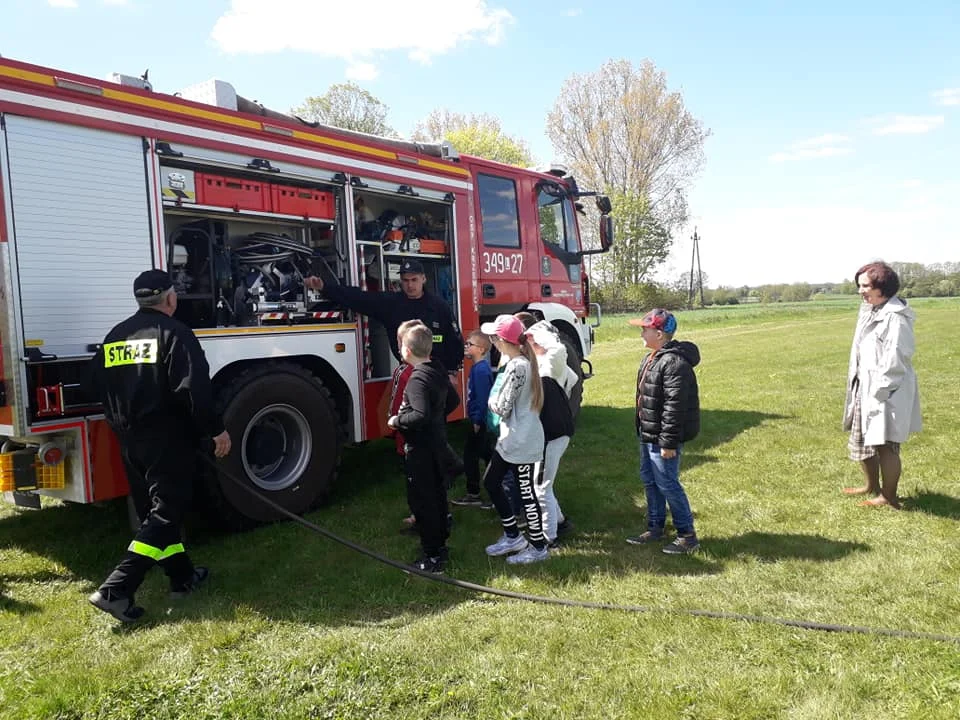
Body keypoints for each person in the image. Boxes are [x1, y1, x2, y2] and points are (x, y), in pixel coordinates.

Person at [87, 270, 231, 622]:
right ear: (170, 298)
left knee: (156, 511)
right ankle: (116, 589)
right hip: (167, 438)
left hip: (129, 439)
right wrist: (215, 431)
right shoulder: (175, 334)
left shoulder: (115, 336)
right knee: (167, 513)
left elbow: (94, 384)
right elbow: (194, 390)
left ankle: (182, 577)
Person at [841, 261, 922, 509]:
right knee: (863, 440)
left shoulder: (895, 318)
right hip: (865, 387)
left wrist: (879, 392)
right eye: (859, 285)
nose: (860, 291)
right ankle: (871, 486)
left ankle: (888, 497)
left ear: (881, 286)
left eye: (865, 285)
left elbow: (896, 359)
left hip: (886, 392)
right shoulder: (871, 309)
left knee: (885, 446)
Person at [626, 308, 701, 555]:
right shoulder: (652, 358)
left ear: (659, 333)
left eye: (644, 330)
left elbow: (674, 407)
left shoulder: (674, 363)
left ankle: (687, 535)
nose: (641, 334)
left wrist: (668, 443)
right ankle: (655, 527)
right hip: (648, 434)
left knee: (667, 483)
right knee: (650, 480)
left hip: (662, 438)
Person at [304, 258, 462, 375]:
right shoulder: (391, 304)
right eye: (405, 280)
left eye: (414, 280)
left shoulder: (439, 306)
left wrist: (452, 372)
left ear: (423, 279)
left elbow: (454, 339)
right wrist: (324, 287)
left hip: (437, 372)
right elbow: (358, 298)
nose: (410, 285)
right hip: (408, 370)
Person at [388, 323, 461, 573]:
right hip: (438, 445)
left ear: (406, 350)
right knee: (438, 498)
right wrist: (437, 417)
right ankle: (440, 546)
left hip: (422, 450)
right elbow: (453, 400)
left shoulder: (417, 378)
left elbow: (418, 414)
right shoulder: (437, 369)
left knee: (425, 502)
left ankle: (432, 557)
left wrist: (396, 421)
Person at [481, 314, 550, 565]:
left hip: (522, 441)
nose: (492, 342)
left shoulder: (517, 367)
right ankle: (513, 536)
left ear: (501, 340)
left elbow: (500, 406)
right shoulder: (517, 362)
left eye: (494, 338)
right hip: (512, 439)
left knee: (527, 493)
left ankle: (538, 546)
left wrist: (489, 398)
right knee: (491, 481)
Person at [526, 320, 577, 546]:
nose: (527, 342)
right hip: (549, 430)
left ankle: (548, 538)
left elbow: (558, 348)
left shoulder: (552, 364)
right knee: (545, 482)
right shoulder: (539, 362)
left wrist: (540, 336)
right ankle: (561, 522)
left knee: (541, 485)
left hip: (552, 431)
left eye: (531, 340)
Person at [451, 330, 495, 508]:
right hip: (479, 420)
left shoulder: (481, 370)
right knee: (485, 453)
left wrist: (477, 420)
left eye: (470, 344)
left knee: (471, 456)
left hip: (480, 421)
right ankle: (495, 488)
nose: (466, 347)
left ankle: (474, 493)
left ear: (482, 349)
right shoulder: (478, 368)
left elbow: (483, 398)